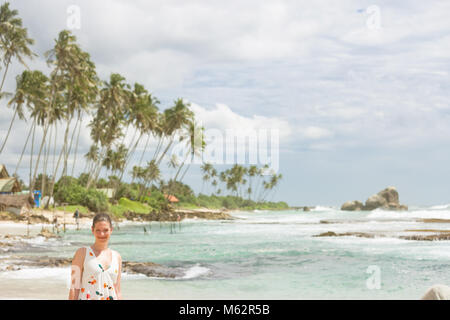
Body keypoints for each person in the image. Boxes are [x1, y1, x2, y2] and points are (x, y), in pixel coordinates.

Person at [68, 213, 123, 300]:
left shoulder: (117, 257)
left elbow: (118, 290)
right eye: (98, 230)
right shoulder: (81, 253)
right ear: (92, 230)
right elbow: (74, 288)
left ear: (111, 230)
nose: (102, 234)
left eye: (105, 230)